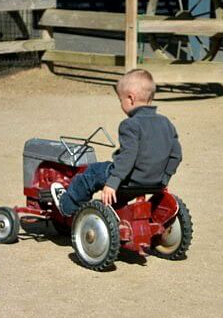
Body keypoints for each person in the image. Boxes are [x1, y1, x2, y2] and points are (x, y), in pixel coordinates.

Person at [50, 69, 182, 216]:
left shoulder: (130, 124)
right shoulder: (166, 123)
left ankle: (68, 205)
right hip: (155, 181)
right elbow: (176, 155)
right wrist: (164, 179)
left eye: (121, 100)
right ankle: (116, 206)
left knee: (92, 172)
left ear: (130, 99)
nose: (121, 104)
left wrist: (112, 183)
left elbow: (128, 156)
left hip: (130, 180)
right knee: (110, 169)